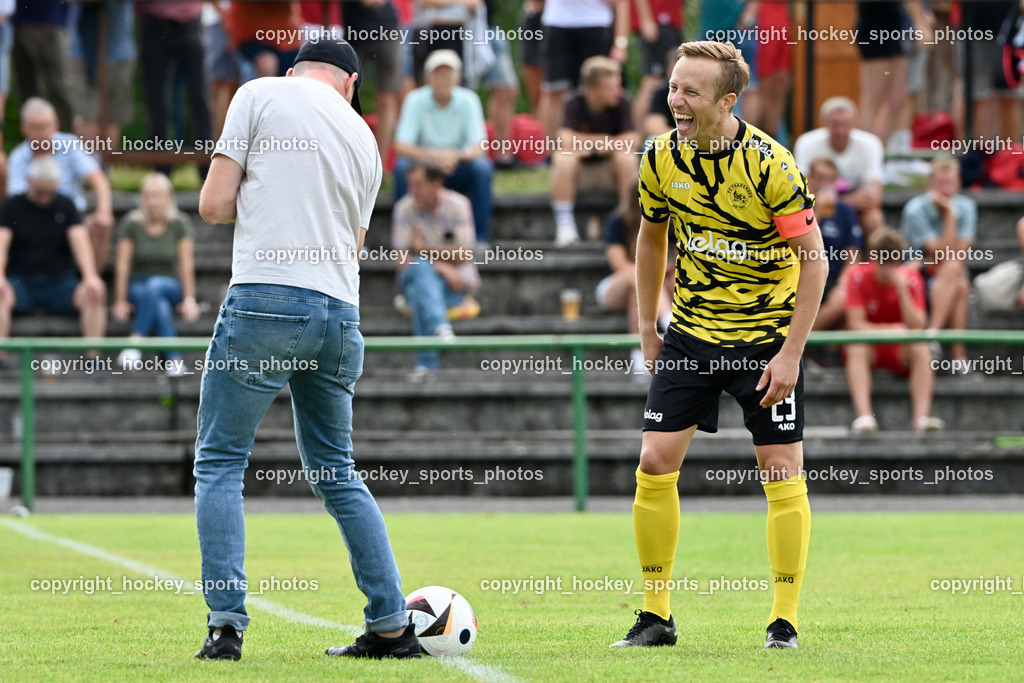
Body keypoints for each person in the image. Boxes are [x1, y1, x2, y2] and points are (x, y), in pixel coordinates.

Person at [195, 38, 419, 660]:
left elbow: (214, 206)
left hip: (266, 300)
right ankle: (392, 624)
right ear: (349, 84)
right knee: (337, 472)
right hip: (340, 315)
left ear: (296, 70)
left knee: (220, 462)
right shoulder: (366, 139)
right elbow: (351, 245)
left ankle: (225, 627)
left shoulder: (260, 93)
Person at [615, 41, 827, 651]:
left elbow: (813, 264)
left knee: (781, 470)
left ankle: (783, 621)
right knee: (654, 461)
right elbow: (651, 241)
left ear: (727, 101)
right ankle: (656, 616)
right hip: (690, 332)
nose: (674, 100)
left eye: (690, 92)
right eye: (673, 87)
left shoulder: (772, 165)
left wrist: (789, 354)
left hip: (764, 340)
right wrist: (648, 327)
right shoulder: (658, 156)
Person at [0, 156, 106, 368]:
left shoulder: (66, 205)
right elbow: (2, 242)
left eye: (50, 192)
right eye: (40, 192)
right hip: (21, 282)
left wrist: (90, 277)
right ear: (29, 181)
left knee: (94, 293)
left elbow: (80, 241)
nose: (45, 198)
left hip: (61, 283)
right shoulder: (12, 206)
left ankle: (93, 359)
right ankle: (1, 357)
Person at [844, 229, 943, 433]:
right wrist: (889, 329)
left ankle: (921, 419)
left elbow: (918, 326)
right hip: (871, 350)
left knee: (921, 348)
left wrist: (902, 290)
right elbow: (855, 324)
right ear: (873, 257)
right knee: (856, 346)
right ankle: (864, 417)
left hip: (899, 351)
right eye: (882, 262)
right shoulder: (857, 276)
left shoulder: (911, 278)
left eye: (893, 262)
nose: (888, 268)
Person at [393, 50, 493, 244]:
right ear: (428, 77)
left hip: (457, 166)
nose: (443, 79)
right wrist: (434, 157)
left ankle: (480, 237)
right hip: (424, 168)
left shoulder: (469, 100)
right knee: (401, 168)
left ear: (457, 77)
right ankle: (403, 237)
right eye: (438, 74)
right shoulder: (414, 99)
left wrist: (456, 156)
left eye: (448, 74)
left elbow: (480, 146)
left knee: (482, 169)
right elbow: (401, 145)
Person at [392, 163, 480, 381]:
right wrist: (439, 264)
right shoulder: (404, 208)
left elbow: (464, 254)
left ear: (437, 183)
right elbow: (401, 260)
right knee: (419, 272)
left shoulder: (459, 205)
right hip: (426, 278)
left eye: (418, 185)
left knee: (418, 289)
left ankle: (426, 364)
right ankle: (440, 326)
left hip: (455, 286)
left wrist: (423, 251)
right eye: (411, 184)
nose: (413, 190)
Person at [7, 98, 115, 274]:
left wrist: (103, 211)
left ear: (56, 125)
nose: (43, 132)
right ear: (24, 128)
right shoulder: (18, 158)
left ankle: (92, 284)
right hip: (35, 219)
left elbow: (98, 178)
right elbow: (16, 204)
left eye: (47, 126)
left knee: (100, 226)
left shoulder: (70, 145)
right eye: (36, 127)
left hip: (73, 218)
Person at [112, 173, 200, 377]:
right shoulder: (131, 224)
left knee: (156, 286)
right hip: (138, 287)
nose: (153, 202)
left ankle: (136, 340)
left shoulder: (180, 223)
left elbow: (186, 265)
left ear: (169, 197)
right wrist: (119, 300)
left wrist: (189, 299)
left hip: (170, 285)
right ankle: (174, 360)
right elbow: (123, 266)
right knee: (158, 304)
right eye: (148, 196)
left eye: (157, 195)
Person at [550, 55, 636, 246]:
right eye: (610, 87)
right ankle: (565, 226)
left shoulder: (623, 102)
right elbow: (564, 139)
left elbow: (632, 139)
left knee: (627, 158)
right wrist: (602, 142)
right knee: (563, 158)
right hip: (579, 175)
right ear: (592, 90)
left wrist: (591, 145)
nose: (618, 91)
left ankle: (627, 221)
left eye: (618, 85)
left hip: (610, 173)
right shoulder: (573, 103)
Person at [900, 156, 974, 365]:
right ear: (931, 183)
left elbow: (958, 252)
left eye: (950, 183)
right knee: (959, 280)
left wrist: (949, 215)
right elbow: (941, 254)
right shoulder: (914, 209)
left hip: (947, 272)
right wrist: (950, 216)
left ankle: (931, 335)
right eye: (941, 183)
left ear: (959, 183)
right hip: (918, 271)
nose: (945, 189)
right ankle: (958, 358)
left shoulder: (968, 206)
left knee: (959, 282)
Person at [595, 200, 672, 373]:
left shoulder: (667, 220)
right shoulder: (618, 221)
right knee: (638, 276)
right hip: (613, 286)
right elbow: (619, 264)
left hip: (647, 291)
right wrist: (655, 271)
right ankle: (669, 323)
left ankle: (639, 359)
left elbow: (675, 262)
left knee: (638, 293)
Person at [136, 1, 213, 173]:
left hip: (189, 21)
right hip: (153, 21)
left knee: (200, 98)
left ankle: (207, 171)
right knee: (155, 101)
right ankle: (161, 172)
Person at [793, 97, 885, 237]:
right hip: (818, 204)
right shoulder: (806, 143)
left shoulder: (871, 144)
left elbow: (874, 198)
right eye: (835, 125)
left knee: (874, 218)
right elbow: (802, 191)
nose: (840, 131)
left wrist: (840, 202)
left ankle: (878, 258)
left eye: (845, 124)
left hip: (856, 209)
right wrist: (850, 200)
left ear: (854, 123)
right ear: (824, 123)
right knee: (805, 213)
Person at [538, 0, 628, 140]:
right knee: (555, 89)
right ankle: (553, 154)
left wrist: (620, 43)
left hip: (596, 25)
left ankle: (603, 151)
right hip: (557, 23)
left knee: (601, 88)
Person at [66, 1, 135, 149]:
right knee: (84, 116)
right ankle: (88, 168)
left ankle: (104, 168)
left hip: (118, 56)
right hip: (79, 55)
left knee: (112, 117)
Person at [809, 158, 863, 332]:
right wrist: (818, 212)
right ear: (809, 178)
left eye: (829, 179)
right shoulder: (799, 205)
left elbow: (853, 255)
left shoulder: (844, 211)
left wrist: (843, 283)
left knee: (845, 298)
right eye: (819, 177)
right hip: (804, 274)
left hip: (832, 278)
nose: (824, 183)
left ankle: (805, 344)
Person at [11, 0, 74, 131]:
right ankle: (33, 140)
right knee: (26, 88)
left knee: (57, 87)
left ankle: (68, 140)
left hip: (50, 20)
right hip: (17, 20)